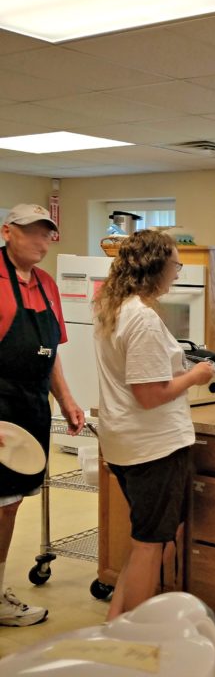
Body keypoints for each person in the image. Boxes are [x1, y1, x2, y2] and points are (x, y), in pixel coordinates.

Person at [92, 230, 215, 620]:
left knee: (146, 539)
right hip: (153, 446)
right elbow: (149, 394)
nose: (177, 272)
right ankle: (135, 638)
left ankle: (116, 621)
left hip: (126, 443)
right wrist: (195, 376)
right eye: (175, 265)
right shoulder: (142, 319)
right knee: (151, 544)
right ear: (156, 267)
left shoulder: (114, 308)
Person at [0, 204, 84, 626]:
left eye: (45, 233)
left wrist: (66, 399)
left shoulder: (47, 283)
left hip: (32, 406)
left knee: (10, 504)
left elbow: (49, 352)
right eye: (30, 232)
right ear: (7, 231)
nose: (40, 240)